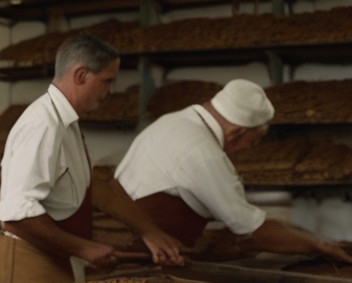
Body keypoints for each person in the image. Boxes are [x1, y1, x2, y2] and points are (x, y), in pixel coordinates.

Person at [0, 33, 184, 283]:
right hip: (27, 258)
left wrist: (147, 231)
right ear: (80, 75)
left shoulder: (67, 123)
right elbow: (17, 213)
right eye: (106, 81)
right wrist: (85, 249)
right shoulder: (43, 125)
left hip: (53, 256)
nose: (110, 91)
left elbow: (97, 186)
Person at [116, 79, 352, 263]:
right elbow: (251, 229)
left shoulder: (173, 121)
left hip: (134, 240)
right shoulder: (204, 153)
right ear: (237, 132)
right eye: (255, 140)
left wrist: (305, 236)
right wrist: (318, 245)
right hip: (146, 253)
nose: (252, 148)